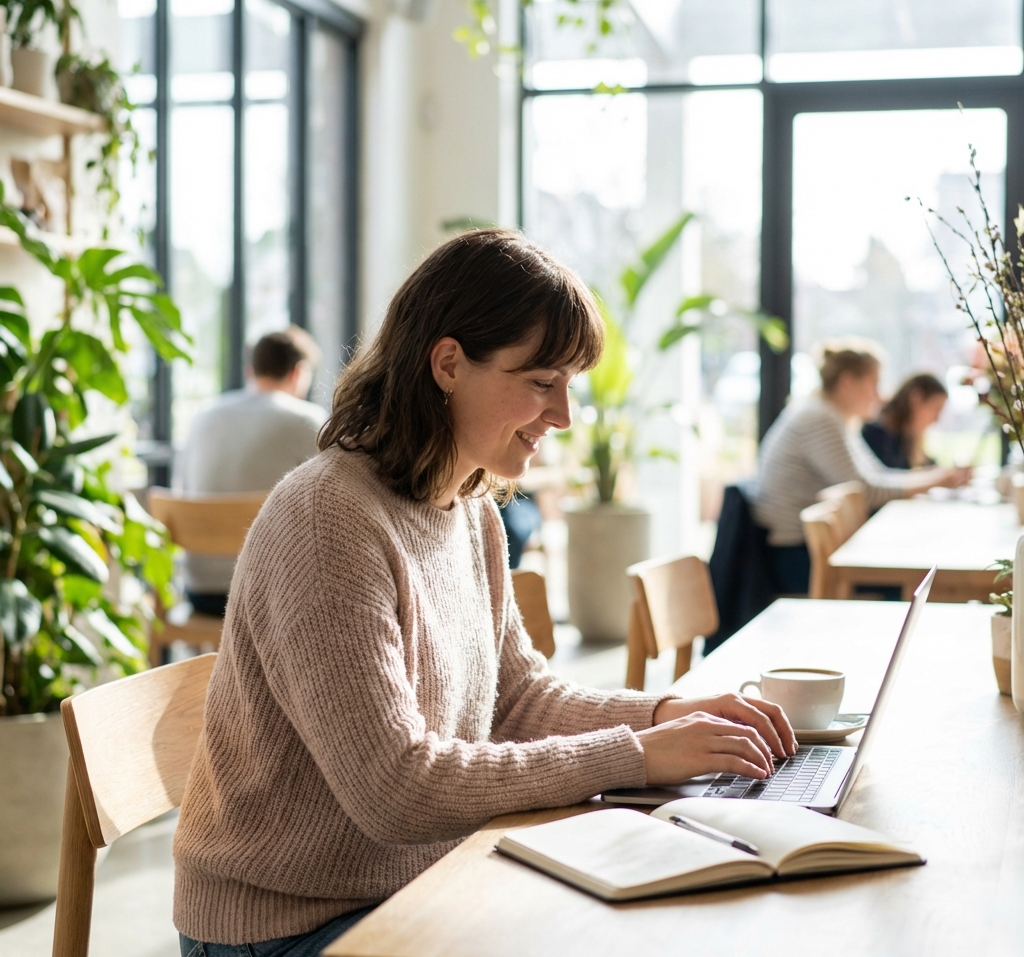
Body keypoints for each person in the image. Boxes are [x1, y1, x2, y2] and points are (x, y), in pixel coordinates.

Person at [173, 229, 797, 956]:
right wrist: (641, 754)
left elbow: (519, 700)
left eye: (568, 385)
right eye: (541, 383)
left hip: (422, 885)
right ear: (447, 363)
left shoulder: (469, 508)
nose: (563, 416)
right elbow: (395, 789)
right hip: (288, 928)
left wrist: (669, 713)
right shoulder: (328, 520)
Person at [754, 341, 969, 594]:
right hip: (797, 557)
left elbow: (878, 476)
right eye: (874, 384)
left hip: (809, 550)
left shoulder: (834, 417)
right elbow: (866, 491)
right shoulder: (819, 418)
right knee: (916, 579)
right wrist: (935, 480)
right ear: (847, 382)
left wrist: (934, 477)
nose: (879, 396)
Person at [178, 326, 327, 617]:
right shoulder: (305, 419)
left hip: (200, 591)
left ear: (251, 371)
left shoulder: (203, 416)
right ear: (298, 373)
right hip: (267, 598)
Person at [862, 373, 948, 470]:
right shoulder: (876, 434)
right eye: (936, 409)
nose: (937, 419)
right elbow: (890, 479)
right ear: (916, 398)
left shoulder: (907, 436)